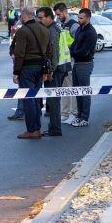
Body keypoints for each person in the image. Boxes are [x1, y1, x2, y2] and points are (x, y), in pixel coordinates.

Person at [12, 7, 54, 140]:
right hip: (40, 68)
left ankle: (32, 130)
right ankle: (37, 128)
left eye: (20, 16)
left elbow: (19, 54)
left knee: (28, 99)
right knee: (36, 98)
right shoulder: (45, 30)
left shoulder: (23, 31)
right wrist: (47, 70)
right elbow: (49, 51)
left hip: (27, 69)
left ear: (24, 16)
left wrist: (16, 72)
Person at [37, 7, 65, 137]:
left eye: (41, 17)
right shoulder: (53, 28)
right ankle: (54, 127)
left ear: (50, 17)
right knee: (53, 100)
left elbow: (54, 53)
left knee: (53, 101)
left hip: (55, 70)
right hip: (57, 69)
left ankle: (55, 129)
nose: (39, 20)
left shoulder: (52, 30)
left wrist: (51, 71)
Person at [70, 8, 98, 127]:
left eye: (81, 18)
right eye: (78, 17)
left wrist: (73, 52)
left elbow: (84, 52)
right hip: (77, 63)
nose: (79, 20)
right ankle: (79, 115)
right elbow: (74, 45)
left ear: (88, 18)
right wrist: (72, 51)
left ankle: (85, 118)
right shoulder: (79, 29)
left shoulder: (91, 32)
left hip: (85, 64)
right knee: (78, 91)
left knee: (84, 92)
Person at [53, 3, 78, 124]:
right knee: (64, 88)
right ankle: (65, 113)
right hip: (62, 63)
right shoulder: (60, 25)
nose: (57, 17)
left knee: (71, 88)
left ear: (64, 12)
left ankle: (73, 113)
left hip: (71, 62)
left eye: (58, 14)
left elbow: (78, 42)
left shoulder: (73, 25)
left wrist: (71, 51)